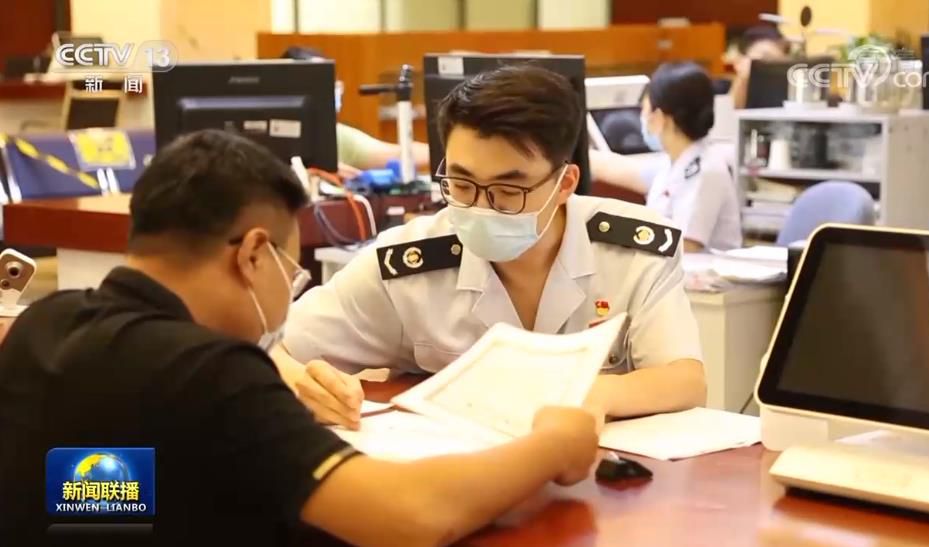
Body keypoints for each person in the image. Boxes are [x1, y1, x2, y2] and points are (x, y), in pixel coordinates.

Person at [0, 130, 599, 546]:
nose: (289, 293)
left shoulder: (42, 324)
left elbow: (107, 493)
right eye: (291, 272)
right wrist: (553, 446)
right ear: (253, 254)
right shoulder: (211, 372)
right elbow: (413, 516)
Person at [274, 65, 707, 430]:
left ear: (565, 184)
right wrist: (301, 384)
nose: (480, 207)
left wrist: (592, 394)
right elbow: (270, 347)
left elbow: (685, 379)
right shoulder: (408, 263)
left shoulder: (634, 251)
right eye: (462, 184)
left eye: (507, 190)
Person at [281, 46, 431, 178]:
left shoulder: (337, 136)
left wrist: (441, 152)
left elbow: (401, 154)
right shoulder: (267, 143)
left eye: (332, 84)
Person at [643, 62, 743, 252]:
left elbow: (687, 246)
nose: (644, 118)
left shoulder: (706, 170)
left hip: (701, 270)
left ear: (659, 117)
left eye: (645, 110)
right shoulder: (672, 164)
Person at [730, 25, 790, 109]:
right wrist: (743, 78)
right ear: (740, 60)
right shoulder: (723, 87)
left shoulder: (788, 82)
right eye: (766, 57)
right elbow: (730, 110)